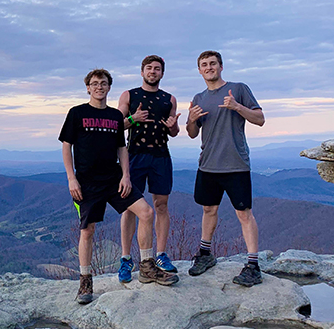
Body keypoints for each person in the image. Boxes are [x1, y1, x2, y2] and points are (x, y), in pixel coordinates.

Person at [60, 68, 178, 305]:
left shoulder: (115, 117)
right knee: (87, 231)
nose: (99, 87)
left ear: (108, 87)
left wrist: (126, 175)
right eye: (94, 84)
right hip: (87, 182)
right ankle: (85, 280)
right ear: (88, 88)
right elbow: (66, 145)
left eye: (103, 83)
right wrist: (71, 178)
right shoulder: (77, 113)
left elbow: (122, 148)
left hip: (114, 178)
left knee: (146, 212)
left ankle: (146, 266)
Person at [186, 51, 266, 287]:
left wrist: (237, 106)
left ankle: (253, 265)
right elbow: (191, 134)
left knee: (244, 214)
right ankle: (205, 254)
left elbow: (260, 119)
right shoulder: (198, 97)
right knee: (208, 209)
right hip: (208, 164)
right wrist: (190, 119)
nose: (209, 67)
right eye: (204, 65)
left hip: (235, 164)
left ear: (221, 67)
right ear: (199, 71)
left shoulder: (238, 89)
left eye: (213, 63)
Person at [116, 55, 181, 283]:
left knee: (161, 205)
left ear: (162, 73)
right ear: (142, 71)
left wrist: (174, 127)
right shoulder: (129, 95)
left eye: (157, 69)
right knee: (129, 207)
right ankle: (126, 258)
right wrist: (132, 120)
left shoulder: (169, 99)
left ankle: (161, 255)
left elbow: (174, 131)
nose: (153, 72)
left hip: (161, 155)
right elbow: (116, 125)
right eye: (149, 68)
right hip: (135, 155)